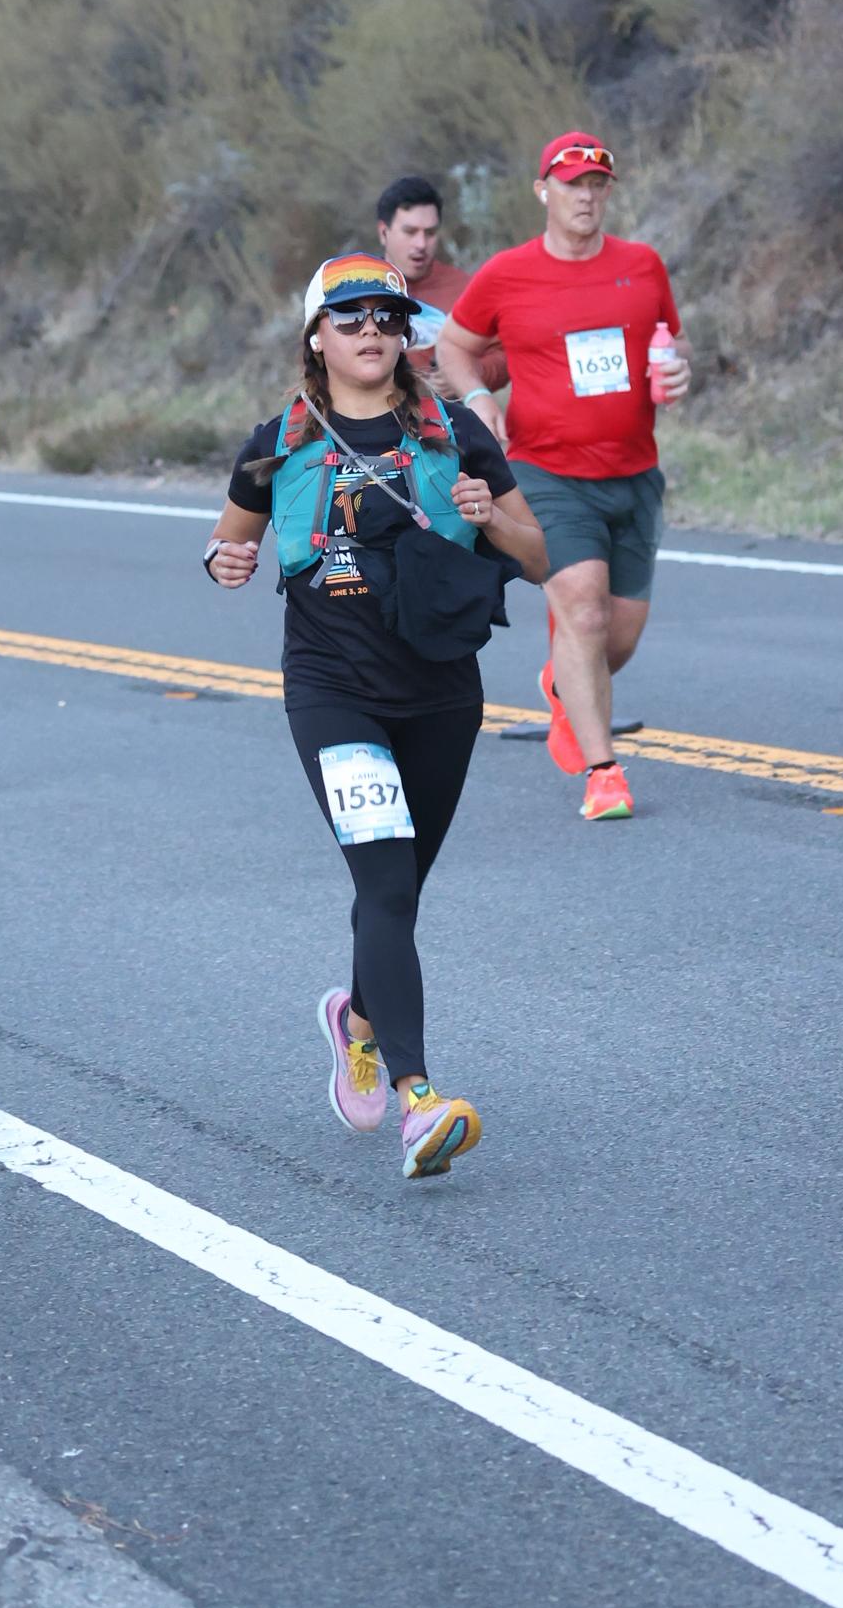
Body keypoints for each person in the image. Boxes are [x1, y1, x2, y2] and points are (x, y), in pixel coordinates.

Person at [205, 252, 548, 1180]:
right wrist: (223, 563)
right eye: (349, 317)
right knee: (388, 885)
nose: (370, 331)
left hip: (442, 692)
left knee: (398, 889)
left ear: (405, 335)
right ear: (316, 338)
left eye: (387, 317)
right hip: (334, 692)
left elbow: (540, 557)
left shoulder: (455, 432)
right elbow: (229, 542)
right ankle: (418, 1101)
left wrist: (491, 516)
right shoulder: (276, 442)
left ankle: (355, 1019)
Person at [434, 131, 690, 823]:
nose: (586, 196)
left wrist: (677, 371)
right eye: (573, 183)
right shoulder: (507, 274)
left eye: (597, 184)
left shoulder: (642, 266)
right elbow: (454, 344)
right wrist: (479, 397)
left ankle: (562, 683)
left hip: (634, 474)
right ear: (543, 190)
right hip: (546, 470)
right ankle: (604, 774)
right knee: (582, 608)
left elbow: (670, 342)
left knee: (615, 638)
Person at [375, 176, 507, 399]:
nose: (421, 244)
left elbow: (503, 356)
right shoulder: (356, 289)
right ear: (383, 232)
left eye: (430, 233)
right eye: (410, 231)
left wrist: (467, 376)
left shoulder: (465, 290)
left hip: (447, 418)